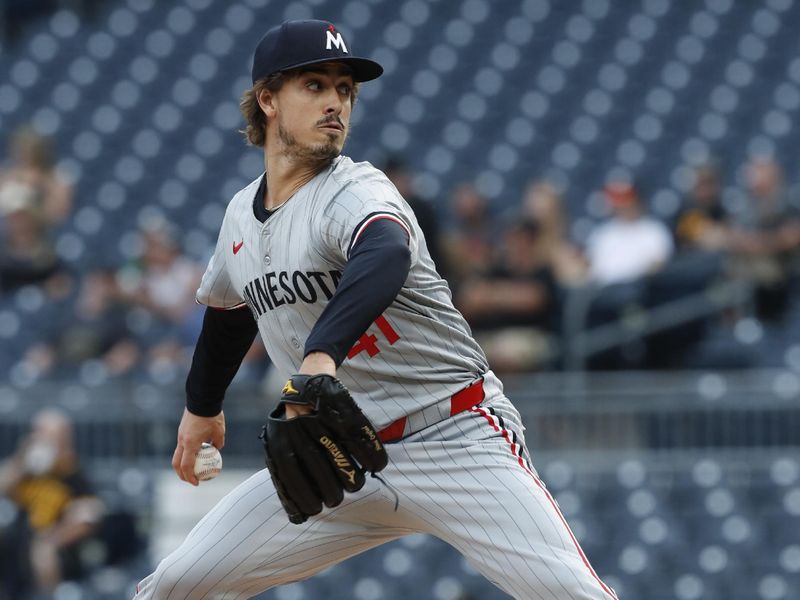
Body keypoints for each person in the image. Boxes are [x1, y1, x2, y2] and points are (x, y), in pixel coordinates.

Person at [134, 20, 617, 600]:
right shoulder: (241, 215)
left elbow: (384, 249)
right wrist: (200, 407)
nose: (335, 101)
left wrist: (318, 359)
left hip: (453, 434)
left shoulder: (356, 190)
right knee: (174, 585)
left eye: (344, 88)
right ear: (266, 99)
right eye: (314, 85)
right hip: (341, 458)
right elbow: (233, 307)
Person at [0, 409, 103, 598]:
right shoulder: (26, 469)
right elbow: (3, 486)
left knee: (43, 553)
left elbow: (90, 513)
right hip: (18, 542)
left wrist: (52, 540)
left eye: (53, 435)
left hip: (58, 547)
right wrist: (21, 460)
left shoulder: (74, 473)